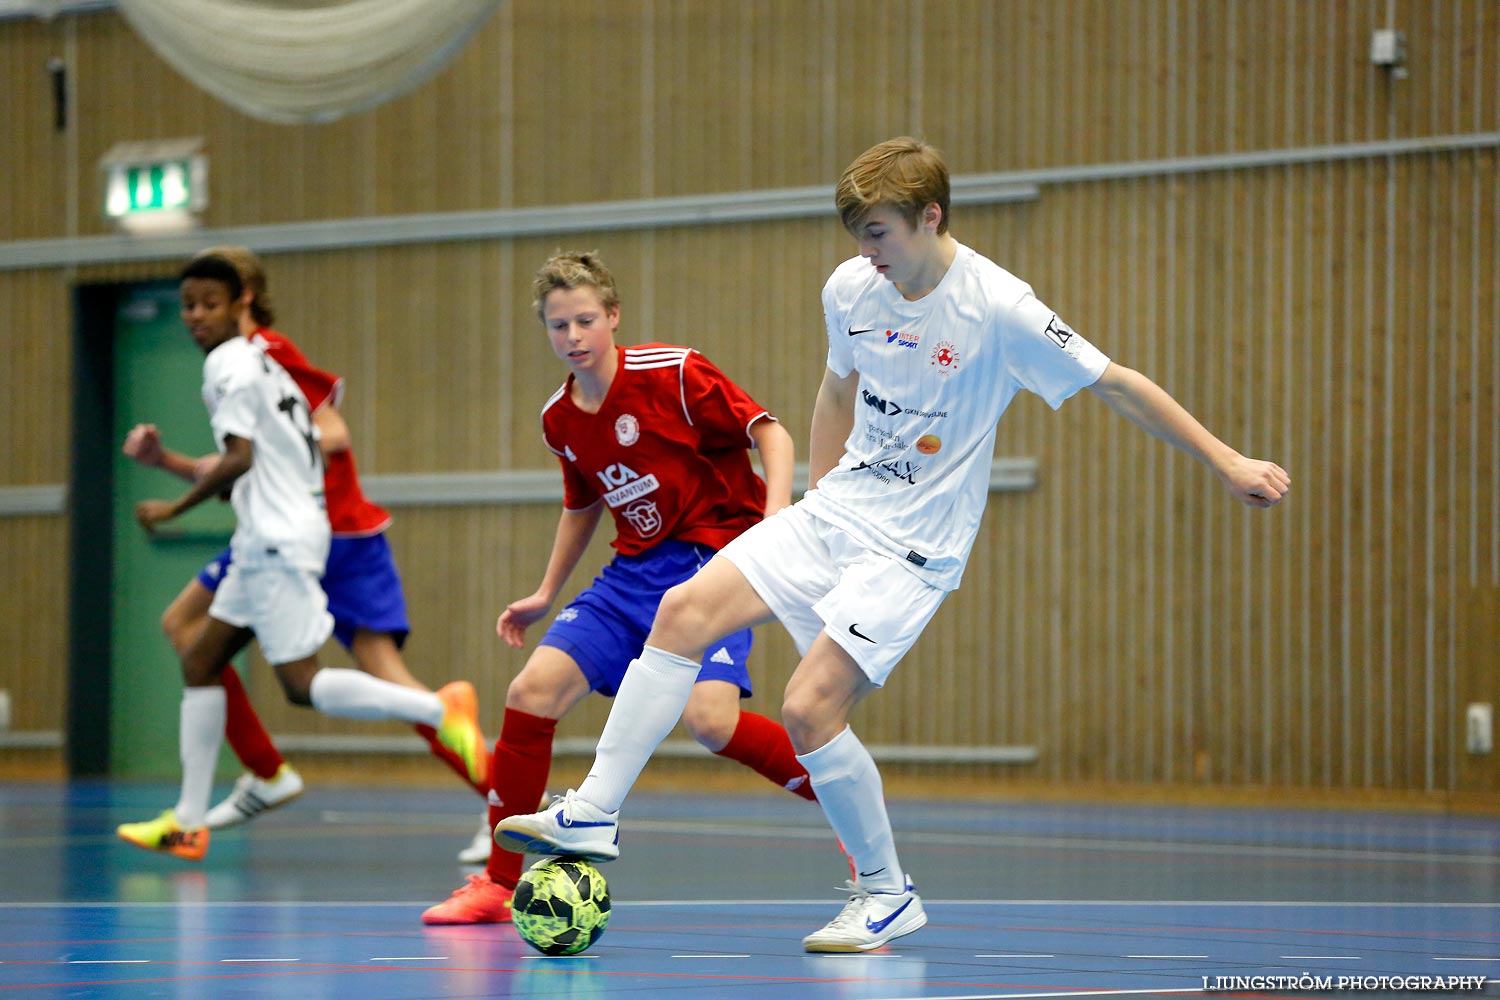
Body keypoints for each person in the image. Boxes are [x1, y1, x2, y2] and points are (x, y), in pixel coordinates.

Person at [495, 137, 1292, 952]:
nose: (864, 253)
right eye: (857, 235)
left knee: (809, 710)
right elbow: (836, 389)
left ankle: (886, 893)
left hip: (917, 548)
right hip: (839, 510)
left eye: (878, 233)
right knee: (684, 609)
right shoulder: (851, 287)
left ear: (930, 217)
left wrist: (1227, 460)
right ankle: (594, 811)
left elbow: (1117, 384)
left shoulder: (1000, 307)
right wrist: (811, 504)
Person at [421, 250, 823, 925]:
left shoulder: (675, 372)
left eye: (584, 320)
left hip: (710, 565)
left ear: (613, 317)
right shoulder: (560, 418)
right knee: (530, 692)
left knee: (712, 722)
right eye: (557, 326)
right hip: (631, 576)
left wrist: (776, 519)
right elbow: (582, 504)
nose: (572, 337)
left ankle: (847, 813)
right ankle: (495, 883)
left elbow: (770, 433)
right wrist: (547, 591)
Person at [116, 253, 487, 861]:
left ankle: (466, 747)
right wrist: (172, 465)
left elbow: (292, 443)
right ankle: (204, 809)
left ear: (243, 297)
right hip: (285, 526)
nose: (197, 314)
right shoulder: (254, 360)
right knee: (195, 647)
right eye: (189, 303)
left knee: (311, 682)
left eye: (211, 300)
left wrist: (174, 507)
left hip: (313, 536)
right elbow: (261, 454)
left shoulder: (253, 355)